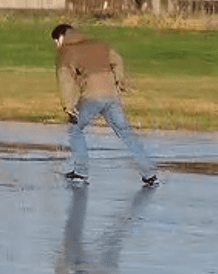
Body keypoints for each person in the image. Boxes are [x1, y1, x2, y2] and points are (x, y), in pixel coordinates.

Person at [51, 23, 157, 186]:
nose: (57, 45)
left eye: (56, 41)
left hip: (91, 96)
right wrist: (119, 82)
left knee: (75, 130)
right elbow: (117, 61)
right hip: (111, 96)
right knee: (126, 133)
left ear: (62, 37)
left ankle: (80, 172)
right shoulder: (100, 44)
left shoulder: (68, 51)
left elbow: (66, 80)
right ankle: (149, 174)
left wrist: (69, 107)